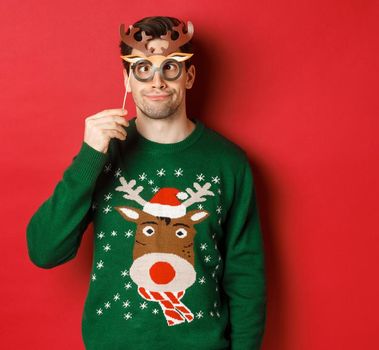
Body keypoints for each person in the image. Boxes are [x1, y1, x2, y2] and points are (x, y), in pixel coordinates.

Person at [26, 16, 267, 349]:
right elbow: (44, 251)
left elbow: (246, 277)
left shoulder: (228, 163)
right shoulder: (100, 155)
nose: (157, 82)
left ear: (189, 76)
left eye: (170, 67)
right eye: (142, 68)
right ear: (127, 79)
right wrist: (88, 158)